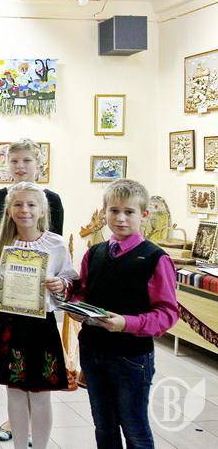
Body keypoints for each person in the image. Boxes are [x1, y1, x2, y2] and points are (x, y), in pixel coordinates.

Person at [72, 179, 178, 448]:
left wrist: (126, 323)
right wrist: (75, 307)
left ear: (144, 215)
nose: (120, 218)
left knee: (134, 428)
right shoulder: (93, 253)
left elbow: (167, 313)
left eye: (129, 212)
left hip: (131, 357)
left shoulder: (155, 258)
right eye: (114, 211)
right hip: (93, 351)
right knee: (103, 424)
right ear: (103, 212)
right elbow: (84, 292)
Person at [0, 182, 78, 449]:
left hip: (40, 327)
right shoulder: (1, 242)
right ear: (9, 210)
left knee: (39, 395)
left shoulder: (55, 243)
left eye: (31, 204)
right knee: (14, 393)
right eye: (18, 204)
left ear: (42, 210)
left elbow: (70, 281)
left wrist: (60, 284)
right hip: (9, 325)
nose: (24, 210)